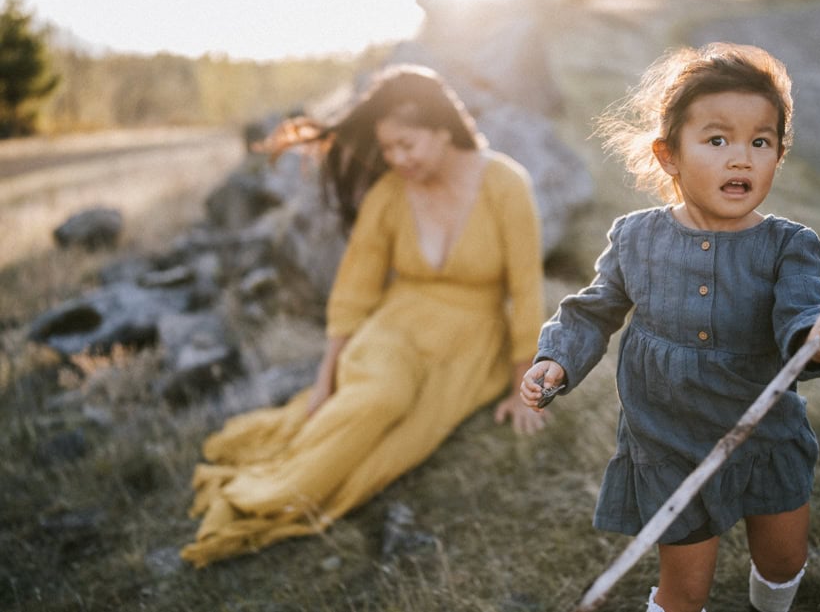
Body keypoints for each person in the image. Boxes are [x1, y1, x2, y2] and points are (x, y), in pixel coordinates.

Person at [520, 43, 820, 612]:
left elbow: (803, 311)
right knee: (684, 587)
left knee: (783, 559)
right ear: (669, 156)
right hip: (668, 439)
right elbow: (594, 308)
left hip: (762, 435)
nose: (742, 158)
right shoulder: (635, 237)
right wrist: (555, 359)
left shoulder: (788, 246)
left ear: (777, 156)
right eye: (717, 140)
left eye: (760, 142)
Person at [181, 64, 548, 568]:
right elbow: (354, 290)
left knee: (401, 442)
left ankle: (302, 487)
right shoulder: (389, 193)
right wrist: (324, 381)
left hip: (469, 347)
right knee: (380, 396)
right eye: (388, 148)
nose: (397, 159)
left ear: (444, 128)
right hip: (394, 329)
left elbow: (525, 290)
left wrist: (521, 389)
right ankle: (266, 495)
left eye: (407, 145)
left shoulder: (506, 182)